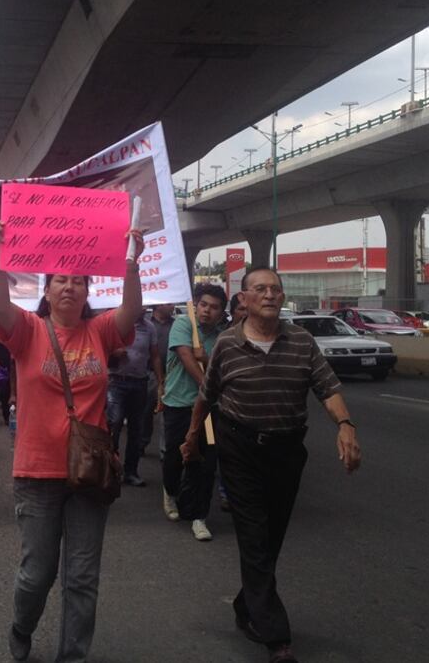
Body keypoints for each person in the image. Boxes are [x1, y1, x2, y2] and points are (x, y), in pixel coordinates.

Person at [182, 266, 361, 663]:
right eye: (259, 289)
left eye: (275, 289)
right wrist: (193, 436)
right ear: (243, 300)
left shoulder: (301, 341)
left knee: (271, 536)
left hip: (286, 450)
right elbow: (205, 396)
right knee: (253, 534)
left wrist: (345, 424)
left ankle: (248, 605)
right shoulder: (227, 345)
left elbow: (327, 388)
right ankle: (277, 637)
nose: (269, 295)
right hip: (240, 448)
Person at [0, 218, 144, 663]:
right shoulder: (27, 332)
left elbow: (131, 311)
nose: (70, 288)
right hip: (37, 474)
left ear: (88, 291)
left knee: (82, 577)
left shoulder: (101, 331)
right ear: (48, 289)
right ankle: (22, 626)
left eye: (78, 281)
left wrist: (131, 263)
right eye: (61, 281)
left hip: (89, 474)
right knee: (37, 574)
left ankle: (71, 657)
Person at [161, 283, 226, 541]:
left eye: (214, 308)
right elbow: (187, 358)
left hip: (209, 412)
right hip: (179, 404)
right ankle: (170, 490)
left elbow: (223, 369)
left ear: (221, 313)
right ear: (196, 305)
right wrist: (207, 387)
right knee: (177, 457)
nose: (207, 311)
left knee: (207, 462)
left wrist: (208, 360)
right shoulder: (183, 325)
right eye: (203, 305)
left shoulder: (222, 337)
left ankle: (199, 516)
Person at [106, 312, 160, 487]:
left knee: (136, 428)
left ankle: (131, 471)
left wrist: (161, 381)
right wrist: (113, 354)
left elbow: (155, 355)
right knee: (114, 424)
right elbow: (99, 348)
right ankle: (110, 470)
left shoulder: (149, 327)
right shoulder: (115, 323)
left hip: (140, 383)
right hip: (116, 382)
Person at [144, 303, 175, 458]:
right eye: (169, 303)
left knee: (167, 413)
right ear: (158, 305)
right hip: (149, 374)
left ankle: (165, 450)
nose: (173, 306)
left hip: (171, 375)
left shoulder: (177, 325)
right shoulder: (146, 323)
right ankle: (141, 443)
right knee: (145, 412)